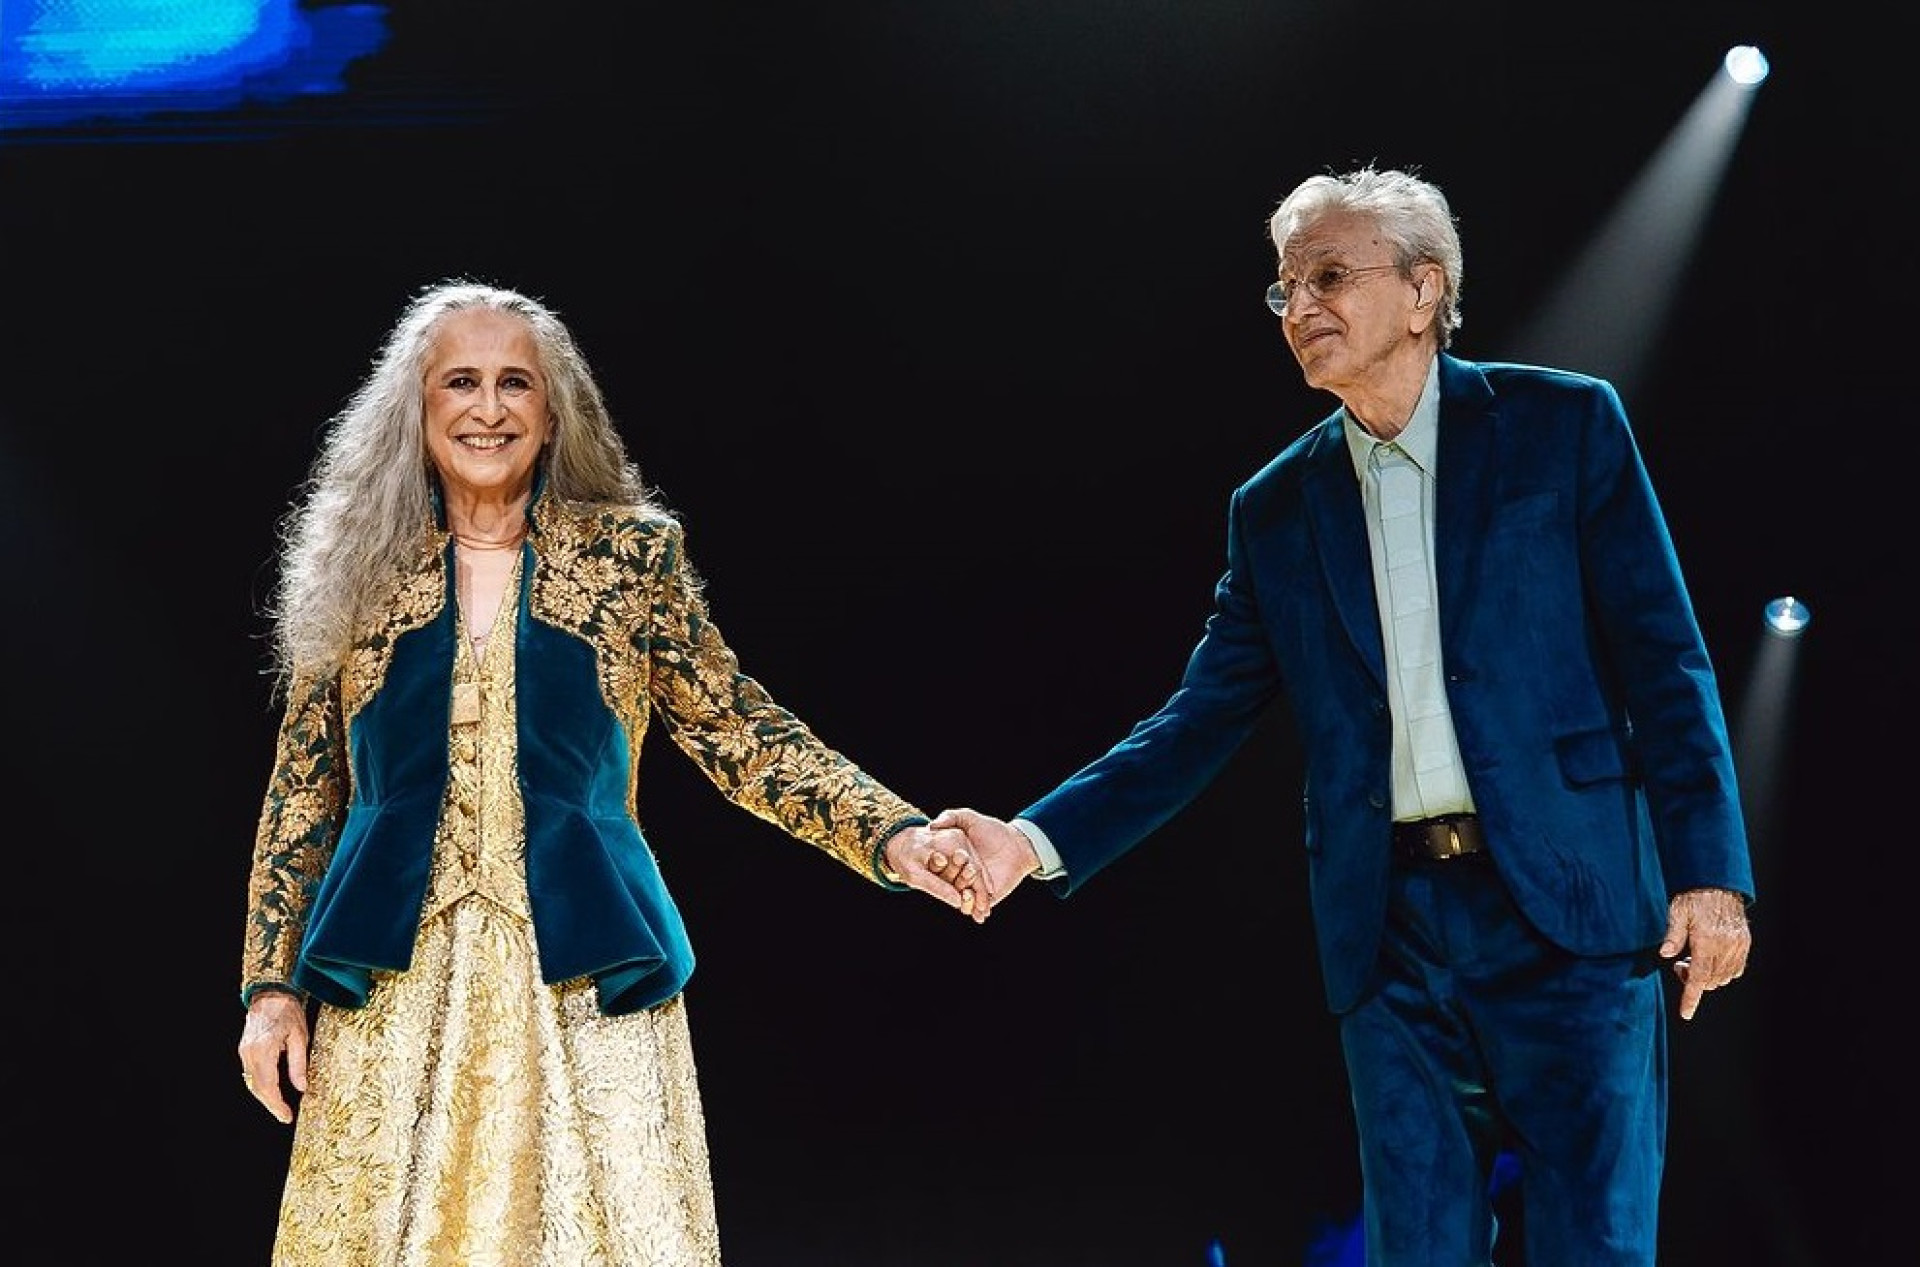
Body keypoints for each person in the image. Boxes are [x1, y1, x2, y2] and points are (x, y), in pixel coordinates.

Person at [935, 164, 1754, 1265]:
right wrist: (1030, 838)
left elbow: (1666, 659)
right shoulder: (1275, 507)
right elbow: (1194, 719)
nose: (1300, 308)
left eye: (1329, 276)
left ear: (1423, 293)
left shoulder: (1564, 428)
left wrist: (1712, 876)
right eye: (1284, 290)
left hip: (1574, 913)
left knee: (1596, 1247)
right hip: (1393, 937)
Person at [236, 278, 981, 1266]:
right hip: (393, 987)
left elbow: (741, 731)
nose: (488, 407)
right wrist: (271, 991)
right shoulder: (357, 573)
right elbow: (301, 796)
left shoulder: (632, 561)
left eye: (515, 384)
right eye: (460, 382)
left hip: (588, 975)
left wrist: (892, 833)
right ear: (417, 412)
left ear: (553, 416)